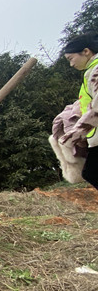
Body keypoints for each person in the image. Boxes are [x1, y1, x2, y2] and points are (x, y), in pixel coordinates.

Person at [57, 32, 98, 189]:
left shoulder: (96, 71)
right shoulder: (90, 72)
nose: (71, 64)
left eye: (71, 58)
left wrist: (75, 134)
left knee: (91, 173)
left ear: (86, 51)